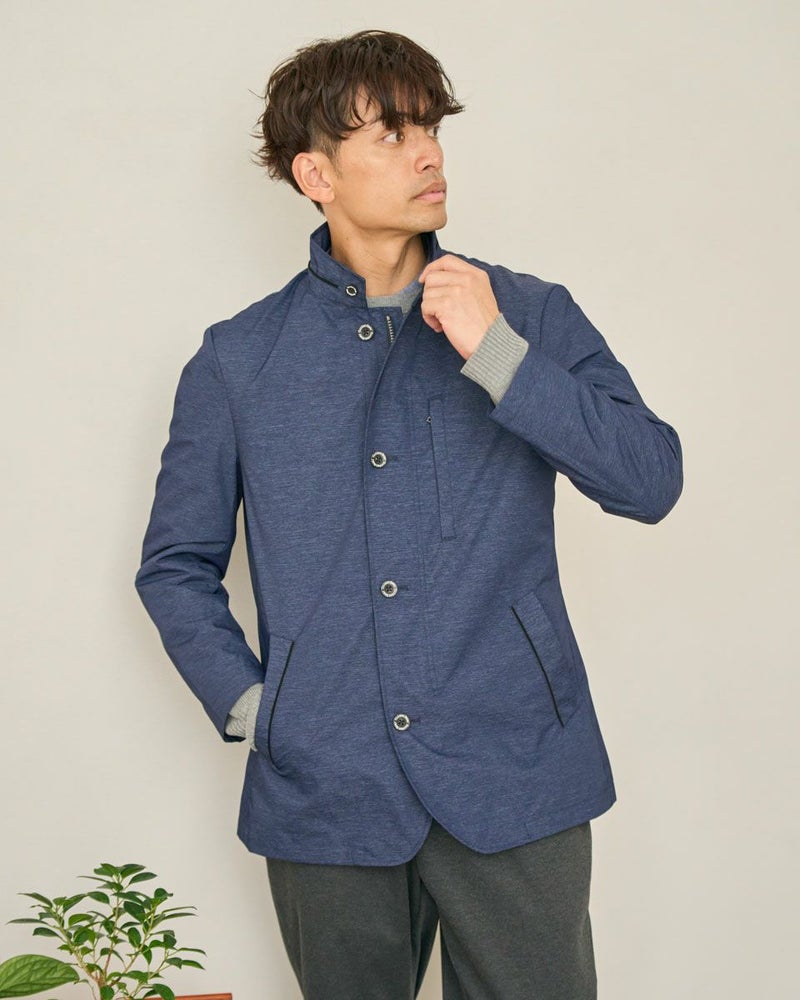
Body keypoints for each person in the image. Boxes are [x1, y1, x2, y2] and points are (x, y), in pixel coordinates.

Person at [134, 28, 683, 1000]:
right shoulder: (238, 360)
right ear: (316, 174)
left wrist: (496, 351)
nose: (427, 151)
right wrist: (262, 711)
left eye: (429, 126)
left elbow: (648, 479)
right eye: (390, 133)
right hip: (326, 788)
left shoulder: (528, 313)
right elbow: (175, 566)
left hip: (514, 769)